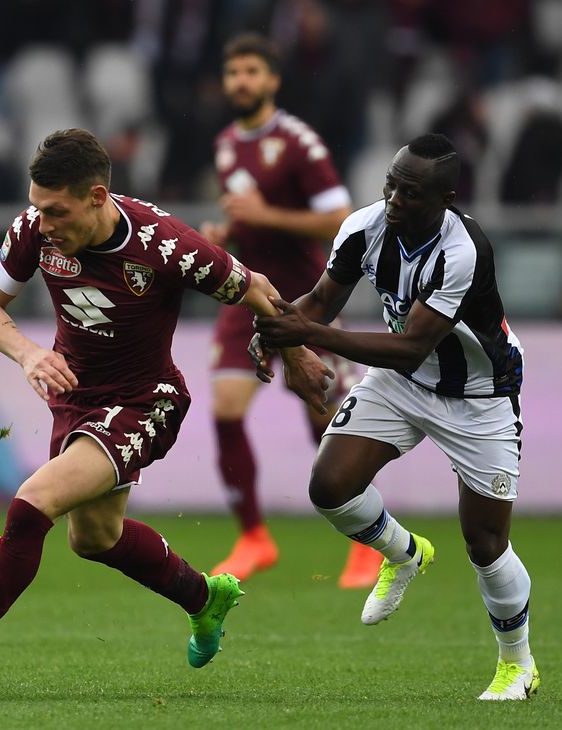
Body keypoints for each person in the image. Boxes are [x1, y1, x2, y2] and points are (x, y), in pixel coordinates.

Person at [0, 128, 334, 693]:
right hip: (75, 400)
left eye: (57, 211)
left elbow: (258, 287)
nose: (44, 224)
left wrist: (295, 352)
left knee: (30, 507)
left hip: (147, 400)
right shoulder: (34, 230)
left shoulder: (166, 244)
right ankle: (205, 597)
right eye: (38, 209)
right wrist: (27, 353)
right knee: (94, 538)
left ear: (98, 196)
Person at [254, 133, 539, 701]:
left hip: (479, 395)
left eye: (408, 192)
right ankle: (403, 552)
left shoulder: (464, 251)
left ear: (444, 198)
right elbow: (319, 303)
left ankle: (518, 665)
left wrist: (307, 336)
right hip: (402, 383)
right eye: (390, 183)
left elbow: (411, 344)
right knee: (329, 486)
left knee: (485, 542)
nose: (393, 198)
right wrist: (278, 336)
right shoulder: (364, 227)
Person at [200, 32, 381, 586]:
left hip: (306, 298)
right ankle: (253, 537)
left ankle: (367, 541)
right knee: (225, 407)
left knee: (324, 419)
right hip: (246, 291)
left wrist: (265, 214)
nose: (242, 82)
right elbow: (249, 214)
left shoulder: (300, 142)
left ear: (273, 79)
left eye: (252, 71)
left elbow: (341, 217)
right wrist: (227, 231)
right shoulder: (228, 141)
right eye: (234, 73)